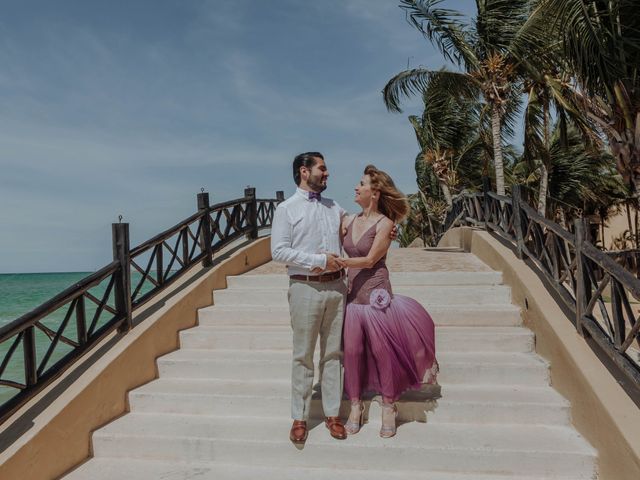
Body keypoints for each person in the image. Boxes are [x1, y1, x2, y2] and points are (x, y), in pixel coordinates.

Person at [339, 164, 438, 438]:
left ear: (375, 192)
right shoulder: (347, 220)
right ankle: (356, 406)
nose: (356, 187)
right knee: (353, 352)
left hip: (376, 296)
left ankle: (388, 406)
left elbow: (371, 260)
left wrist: (339, 262)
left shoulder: (385, 224)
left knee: (384, 353)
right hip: (352, 299)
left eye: (362, 183)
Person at [271, 152, 348, 444]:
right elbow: (278, 251)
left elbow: (352, 231)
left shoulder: (334, 207)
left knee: (333, 354)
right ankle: (300, 417)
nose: (327, 174)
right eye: (322, 169)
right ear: (305, 172)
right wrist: (317, 260)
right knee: (303, 355)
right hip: (304, 287)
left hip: (337, 288)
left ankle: (332, 414)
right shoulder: (286, 209)